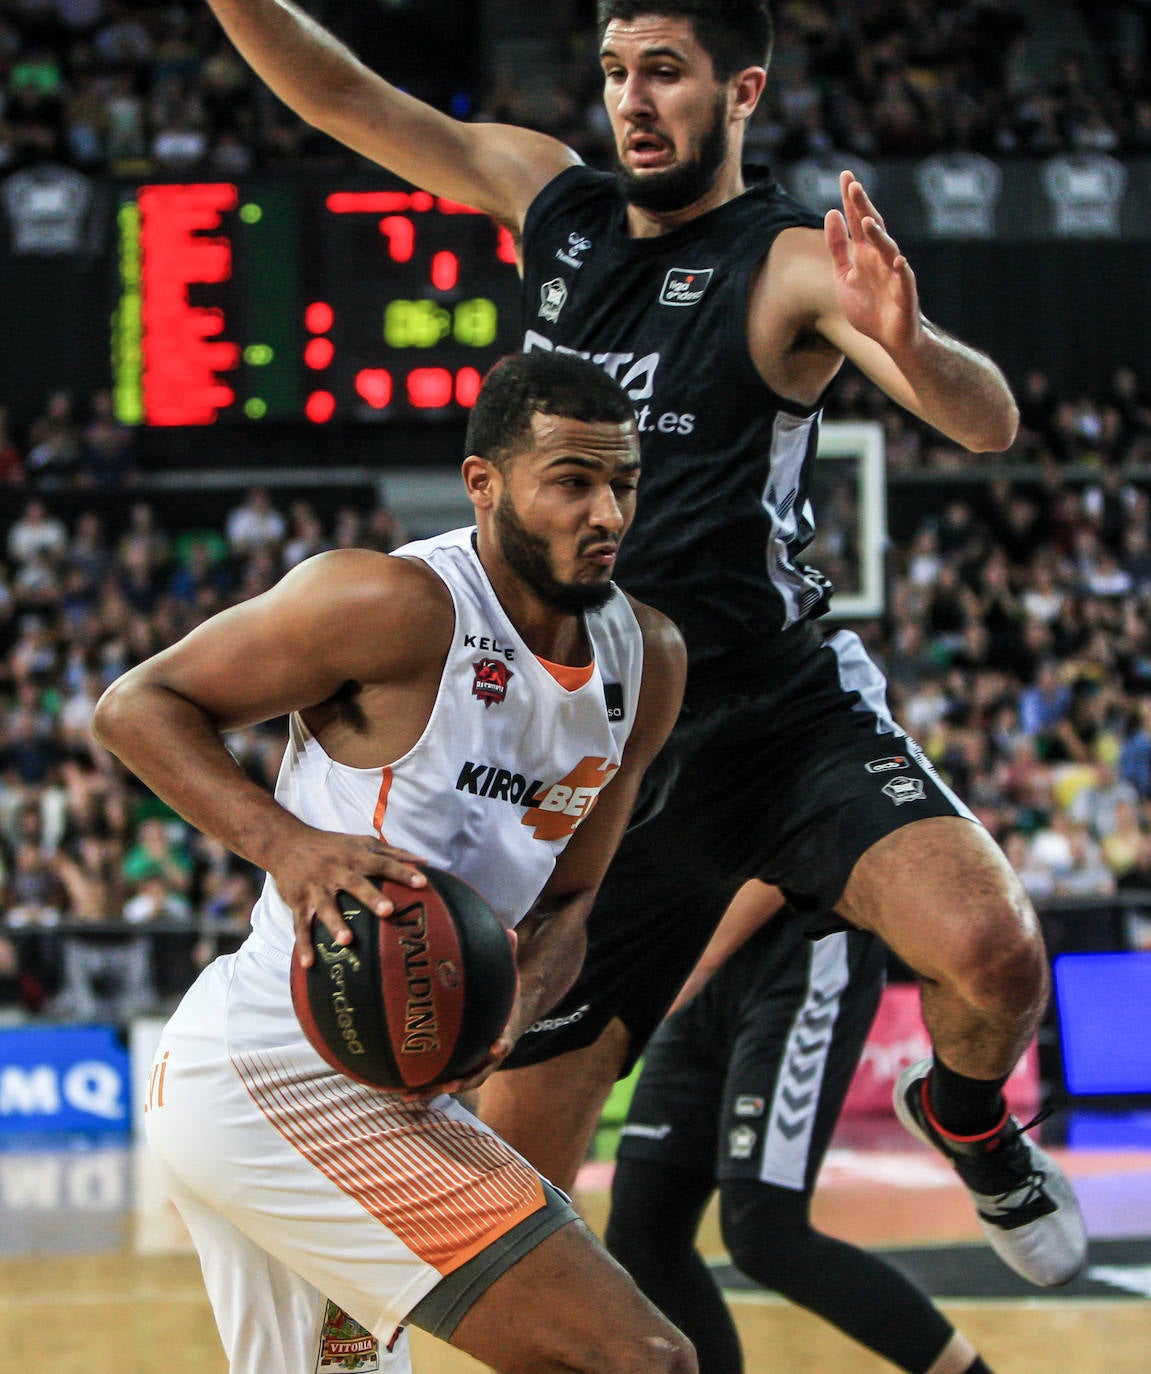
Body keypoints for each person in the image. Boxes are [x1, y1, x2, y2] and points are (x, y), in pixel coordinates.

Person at [195, 0, 1086, 1291]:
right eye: (613, 70)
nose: (629, 98)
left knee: (994, 950)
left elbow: (987, 420)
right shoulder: (549, 204)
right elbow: (342, 98)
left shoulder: (780, 259)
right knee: (517, 1188)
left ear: (739, 91)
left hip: (778, 713)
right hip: (607, 748)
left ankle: (965, 1117)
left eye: (662, 72)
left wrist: (911, 348)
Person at [92, 351, 691, 1374]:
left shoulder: (647, 660)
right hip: (274, 1070)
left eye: (621, 484)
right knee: (638, 1360)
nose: (605, 513)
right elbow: (136, 707)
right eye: (571, 482)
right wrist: (288, 844)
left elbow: (572, 899)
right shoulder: (391, 604)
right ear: (483, 484)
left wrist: (518, 1000)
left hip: (391, 1083)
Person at [606, 881, 992, 1374]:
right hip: (700, 952)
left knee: (766, 1235)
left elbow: (772, 833)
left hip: (801, 951)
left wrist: (697, 962)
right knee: (643, 1230)